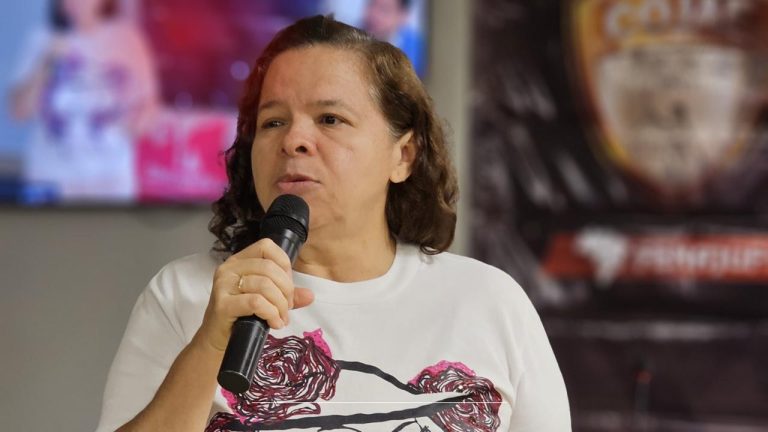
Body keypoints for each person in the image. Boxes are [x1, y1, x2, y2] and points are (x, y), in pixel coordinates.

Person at [96, 15, 570, 432]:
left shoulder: (489, 303)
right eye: (273, 122)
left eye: (329, 119)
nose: (294, 140)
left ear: (403, 155)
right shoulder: (185, 294)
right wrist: (208, 345)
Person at [8, 0, 158, 203]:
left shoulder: (127, 40)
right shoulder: (42, 40)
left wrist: (135, 122)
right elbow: (18, 111)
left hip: (110, 181)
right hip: (50, 180)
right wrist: (47, 63)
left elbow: (149, 106)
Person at [363, 0, 425, 77]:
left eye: (384, 9)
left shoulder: (416, 47)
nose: (373, 14)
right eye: (372, 5)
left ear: (402, 16)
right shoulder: (352, 37)